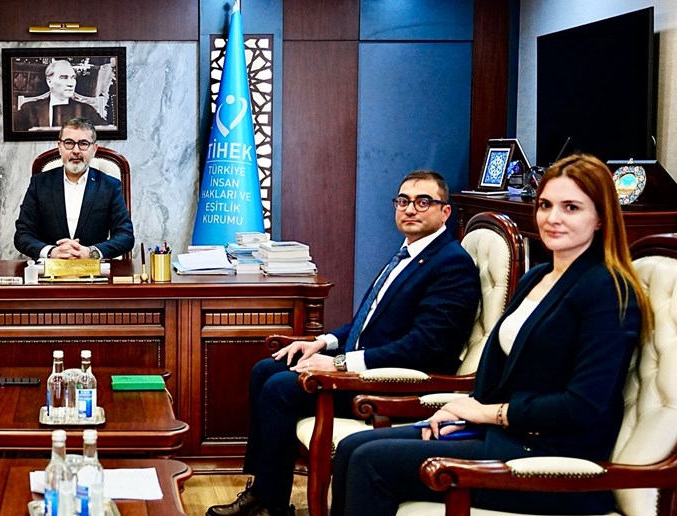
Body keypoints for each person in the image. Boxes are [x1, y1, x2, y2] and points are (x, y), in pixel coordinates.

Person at [330, 154, 652, 516]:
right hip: (503, 436)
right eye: (545, 205)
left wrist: (488, 413)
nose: (553, 217)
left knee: (371, 462)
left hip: (553, 460)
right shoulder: (538, 277)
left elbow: (583, 407)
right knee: (352, 448)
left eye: (571, 207)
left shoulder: (608, 290)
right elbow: (503, 373)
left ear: (601, 218)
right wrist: (461, 413)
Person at [208, 170, 481, 516]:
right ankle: (263, 492)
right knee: (266, 369)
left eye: (423, 202)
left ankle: (271, 505)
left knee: (280, 388)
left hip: (398, 384)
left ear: (445, 212)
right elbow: (368, 322)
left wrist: (339, 364)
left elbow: (424, 347)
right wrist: (321, 343)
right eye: (403, 201)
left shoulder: (451, 264)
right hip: (369, 366)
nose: (410, 209)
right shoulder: (408, 253)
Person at [14, 117, 135, 260]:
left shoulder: (110, 186)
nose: (76, 150)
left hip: (92, 269)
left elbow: (125, 236)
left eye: (83, 144)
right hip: (50, 269)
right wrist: (51, 252)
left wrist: (91, 253)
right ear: (60, 147)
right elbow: (22, 235)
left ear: (94, 149)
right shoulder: (39, 184)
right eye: (69, 143)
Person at [14, 59, 108, 131]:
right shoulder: (29, 109)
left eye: (73, 78)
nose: (71, 83)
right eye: (64, 78)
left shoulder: (87, 110)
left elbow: (106, 134)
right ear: (50, 82)